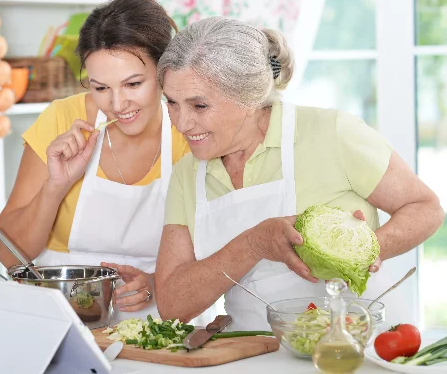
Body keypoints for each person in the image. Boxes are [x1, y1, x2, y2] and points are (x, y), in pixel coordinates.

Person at [154, 17, 444, 330]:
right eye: (171, 102)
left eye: (198, 106)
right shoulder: (188, 174)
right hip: (258, 356)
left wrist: (366, 248)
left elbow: (425, 208)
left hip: (358, 345)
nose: (181, 123)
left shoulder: (331, 132)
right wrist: (254, 244)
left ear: (249, 99)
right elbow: (173, 305)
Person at [0, 0, 190, 322]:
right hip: (59, 316)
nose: (117, 104)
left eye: (133, 84)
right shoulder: (61, 119)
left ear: (164, 71)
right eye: (100, 88)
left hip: (156, 320)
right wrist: (56, 186)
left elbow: (210, 253)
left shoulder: (188, 129)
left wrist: (156, 284)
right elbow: (9, 256)